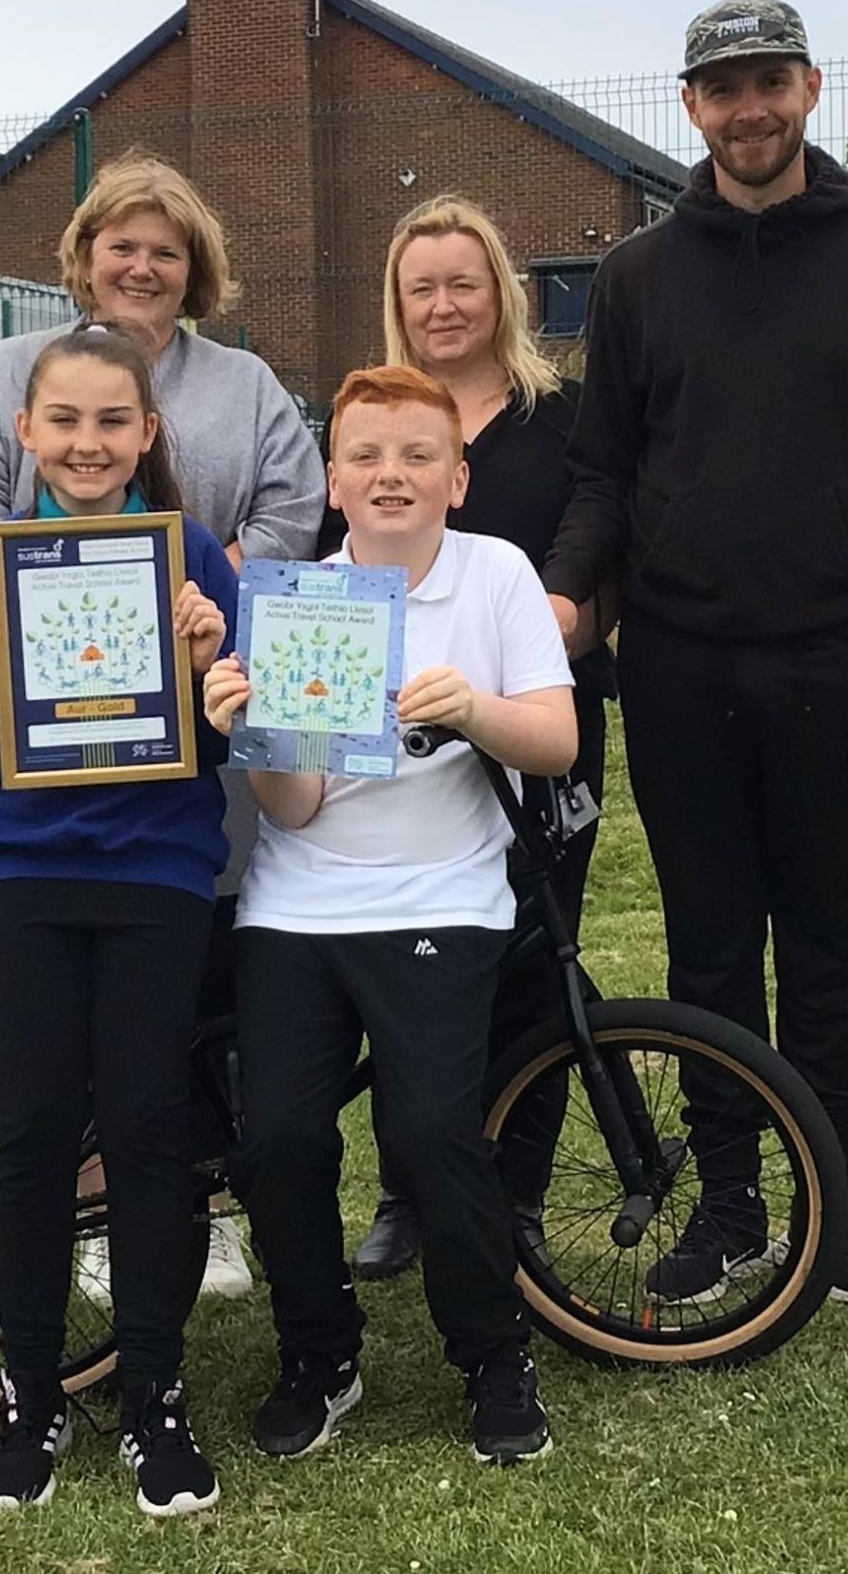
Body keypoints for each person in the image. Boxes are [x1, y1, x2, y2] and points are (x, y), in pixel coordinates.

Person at [541, 0, 848, 1309]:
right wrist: (563, 603)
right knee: (709, 950)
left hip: (843, 671)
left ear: (810, 88)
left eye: (770, 81)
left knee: (830, 946)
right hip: (679, 668)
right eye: (723, 89)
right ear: (692, 109)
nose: (750, 108)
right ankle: (728, 1204)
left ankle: (830, 1205)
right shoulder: (637, 278)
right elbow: (605, 471)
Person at [0, 149, 324, 1302]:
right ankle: (102, 1211)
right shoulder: (13, 366)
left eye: (166, 248)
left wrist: (212, 576)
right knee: (61, 1013)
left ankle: (197, 1203)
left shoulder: (244, 384)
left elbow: (295, 505)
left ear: (193, 265)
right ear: (86, 257)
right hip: (44, 724)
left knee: (189, 964)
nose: (143, 265)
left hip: (189, 712)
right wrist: (31, 576)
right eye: (123, 245)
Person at [206, 364, 577, 1469]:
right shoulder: (300, 596)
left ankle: (491, 1352)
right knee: (275, 1137)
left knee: (429, 1136)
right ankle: (320, 1352)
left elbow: (555, 743)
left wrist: (475, 706)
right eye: (365, 455)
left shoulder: (497, 576)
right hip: (297, 902)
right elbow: (298, 806)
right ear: (334, 479)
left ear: (458, 478)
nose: (391, 475)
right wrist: (253, 735)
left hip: (443, 897)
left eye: (418, 455)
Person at [0, 326, 233, 1516]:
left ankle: (154, 1392)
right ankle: (31, 1394)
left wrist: (214, 667)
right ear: (26, 432)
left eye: (114, 422)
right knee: (38, 1132)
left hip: (157, 875)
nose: (90, 443)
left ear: (147, 434)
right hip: (26, 876)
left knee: (152, 1131)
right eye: (67, 421)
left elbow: (230, 731)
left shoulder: (189, 554)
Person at [338, 196, 616, 1281]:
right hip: (409, 750)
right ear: (397, 302)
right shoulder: (378, 415)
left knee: (537, 966)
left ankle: (521, 1196)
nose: (445, 304)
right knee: (411, 972)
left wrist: (559, 605)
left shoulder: (563, 414)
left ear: (502, 291)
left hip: (536, 725)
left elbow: (599, 516)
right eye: (423, 287)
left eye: (465, 282)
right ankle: (409, 1190)